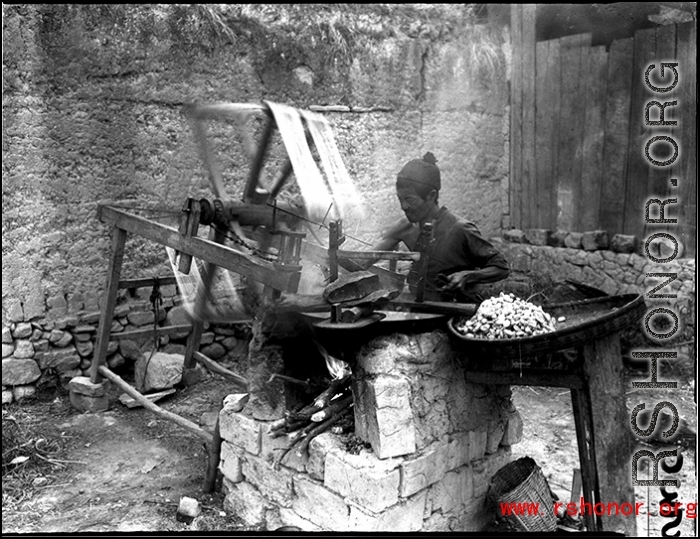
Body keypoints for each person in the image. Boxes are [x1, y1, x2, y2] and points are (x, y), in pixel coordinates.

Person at [343, 152, 509, 303]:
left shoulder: (460, 229)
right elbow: (363, 262)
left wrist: (467, 275)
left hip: (454, 310)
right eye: (400, 199)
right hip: (418, 308)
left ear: (431, 196)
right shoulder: (405, 227)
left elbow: (501, 267)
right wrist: (327, 255)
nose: (404, 206)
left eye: (410, 200)